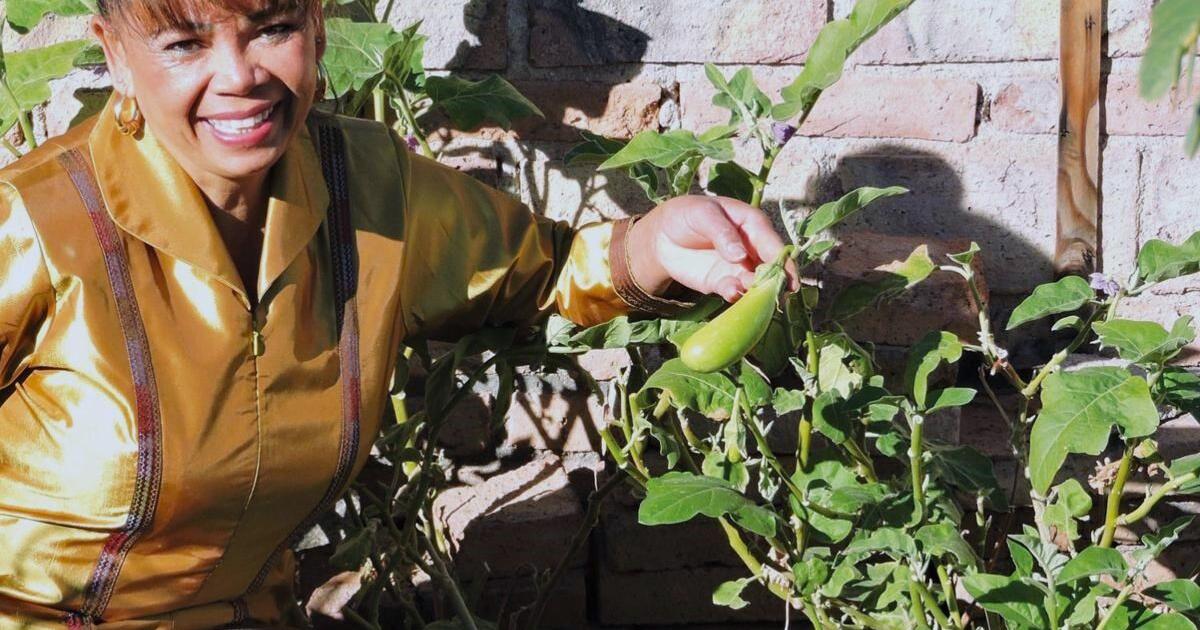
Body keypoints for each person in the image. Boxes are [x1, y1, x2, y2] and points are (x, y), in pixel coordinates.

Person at [0, 0, 793, 626]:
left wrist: (658, 242)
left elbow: (542, 272)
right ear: (115, 55)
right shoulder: (32, 223)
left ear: (316, 24)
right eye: (184, 44)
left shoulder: (368, 187)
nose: (240, 75)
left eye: (274, 28)